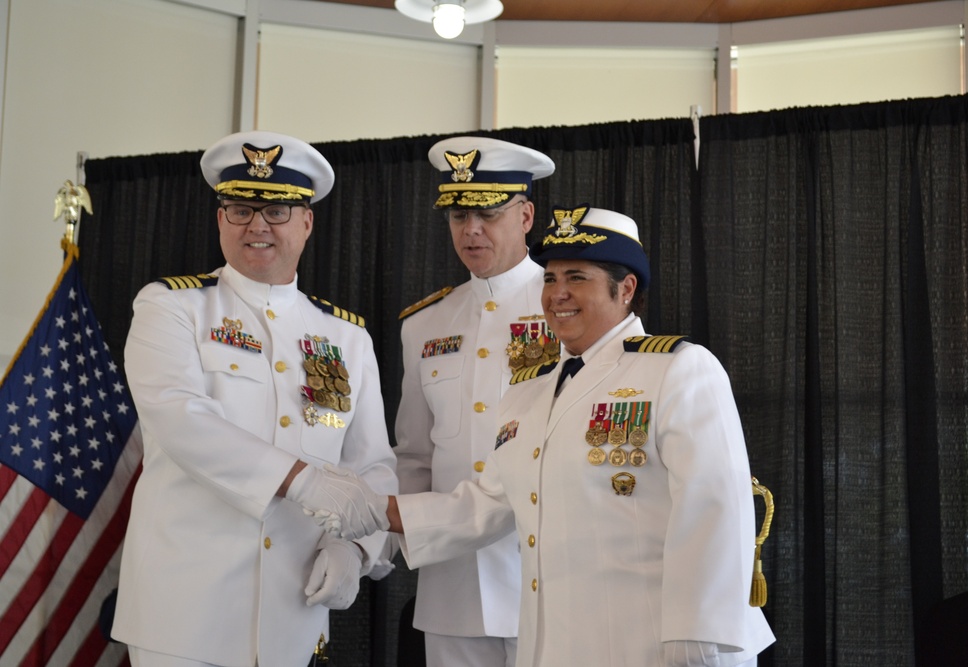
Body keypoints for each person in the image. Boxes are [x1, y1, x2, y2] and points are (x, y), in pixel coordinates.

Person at [322, 204, 777, 666]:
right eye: (549, 279)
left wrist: (696, 646)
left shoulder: (677, 369)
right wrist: (377, 510)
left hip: (659, 644)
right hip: (557, 643)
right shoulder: (528, 392)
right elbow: (486, 505)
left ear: (626, 289)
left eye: (577, 278)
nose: (557, 294)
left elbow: (714, 510)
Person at [112, 130, 397, 667]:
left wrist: (355, 549)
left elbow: (373, 465)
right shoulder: (170, 308)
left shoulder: (347, 338)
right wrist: (304, 479)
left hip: (295, 608)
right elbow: (182, 419)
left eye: (277, 210)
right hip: (185, 612)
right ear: (220, 218)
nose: (257, 225)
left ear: (307, 222)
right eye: (240, 208)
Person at [393, 136, 555, 667]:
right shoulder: (425, 325)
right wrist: (373, 541)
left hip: (546, 576)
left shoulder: (569, 304)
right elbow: (415, 456)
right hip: (453, 585)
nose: (472, 229)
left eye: (489, 212)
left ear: (527, 215)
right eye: (459, 214)